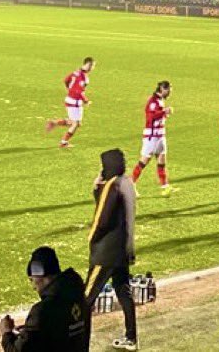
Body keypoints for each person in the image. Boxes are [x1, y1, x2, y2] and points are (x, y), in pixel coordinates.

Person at [84, 149, 138, 351]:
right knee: (124, 293)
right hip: (123, 250)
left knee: (84, 300)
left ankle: (78, 344)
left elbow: (102, 219)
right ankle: (131, 338)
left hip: (106, 253)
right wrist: (98, 189)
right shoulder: (127, 183)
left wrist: (91, 239)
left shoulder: (112, 186)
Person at [0, 246, 90, 352]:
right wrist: (31, 330)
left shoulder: (42, 310)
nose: (33, 287)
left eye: (31, 280)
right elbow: (61, 329)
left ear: (38, 274)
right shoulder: (80, 297)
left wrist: (6, 333)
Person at [132, 80, 176, 196]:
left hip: (160, 135)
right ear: (163, 89)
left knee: (162, 162)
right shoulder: (153, 101)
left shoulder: (160, 100)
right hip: (152, 137)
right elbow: (151, 116)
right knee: (143, 162)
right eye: (169, 91)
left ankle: (165, 187)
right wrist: (164, 112)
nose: (169, 93)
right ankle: (131, 184)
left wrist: (164, 114)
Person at [46, 57, 95, 148]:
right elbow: (78, 91)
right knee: (75, 124)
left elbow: (66, 80)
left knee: (76, 123)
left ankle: (54, 123)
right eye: (92, 65)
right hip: (74, 102)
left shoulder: (75, 72)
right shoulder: (83, 77)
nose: (92, 68)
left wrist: (69, 89)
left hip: (70, 99)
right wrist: (86, 100)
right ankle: (63, 142)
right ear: (88, 64)